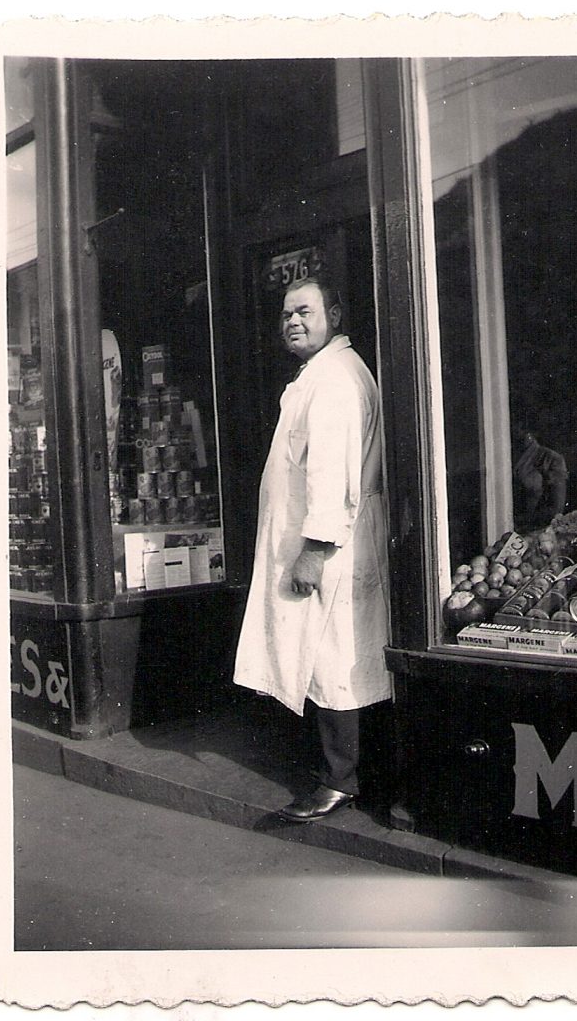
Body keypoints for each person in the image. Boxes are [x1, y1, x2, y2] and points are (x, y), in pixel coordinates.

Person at [233, 276, 392, 822]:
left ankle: (340, 779)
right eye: (285, 315)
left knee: (331, 658)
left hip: (333, 543)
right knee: (334, 655)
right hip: (330, 539)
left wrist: (314, 550)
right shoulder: (321, 375)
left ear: (335, 314)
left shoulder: (336, 382)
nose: (292, 322)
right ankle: (344, 772)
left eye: (304, 311)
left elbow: (331, 475)